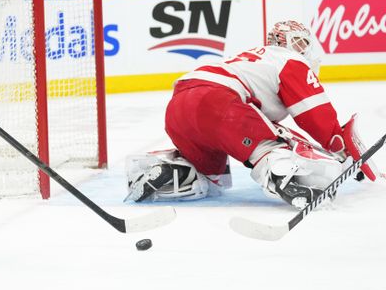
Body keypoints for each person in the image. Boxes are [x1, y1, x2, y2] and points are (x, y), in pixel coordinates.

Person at [126, 20, 371, 209]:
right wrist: (339, 145)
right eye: (302, 43)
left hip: (179, 108)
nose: (305, 49)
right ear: (292, 43)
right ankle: (285, 178)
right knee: (271, 146)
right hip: (218, 104)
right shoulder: (290, 60)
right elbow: (315, 115)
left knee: (213, 181)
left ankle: (174, 170)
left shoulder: (254, 57)